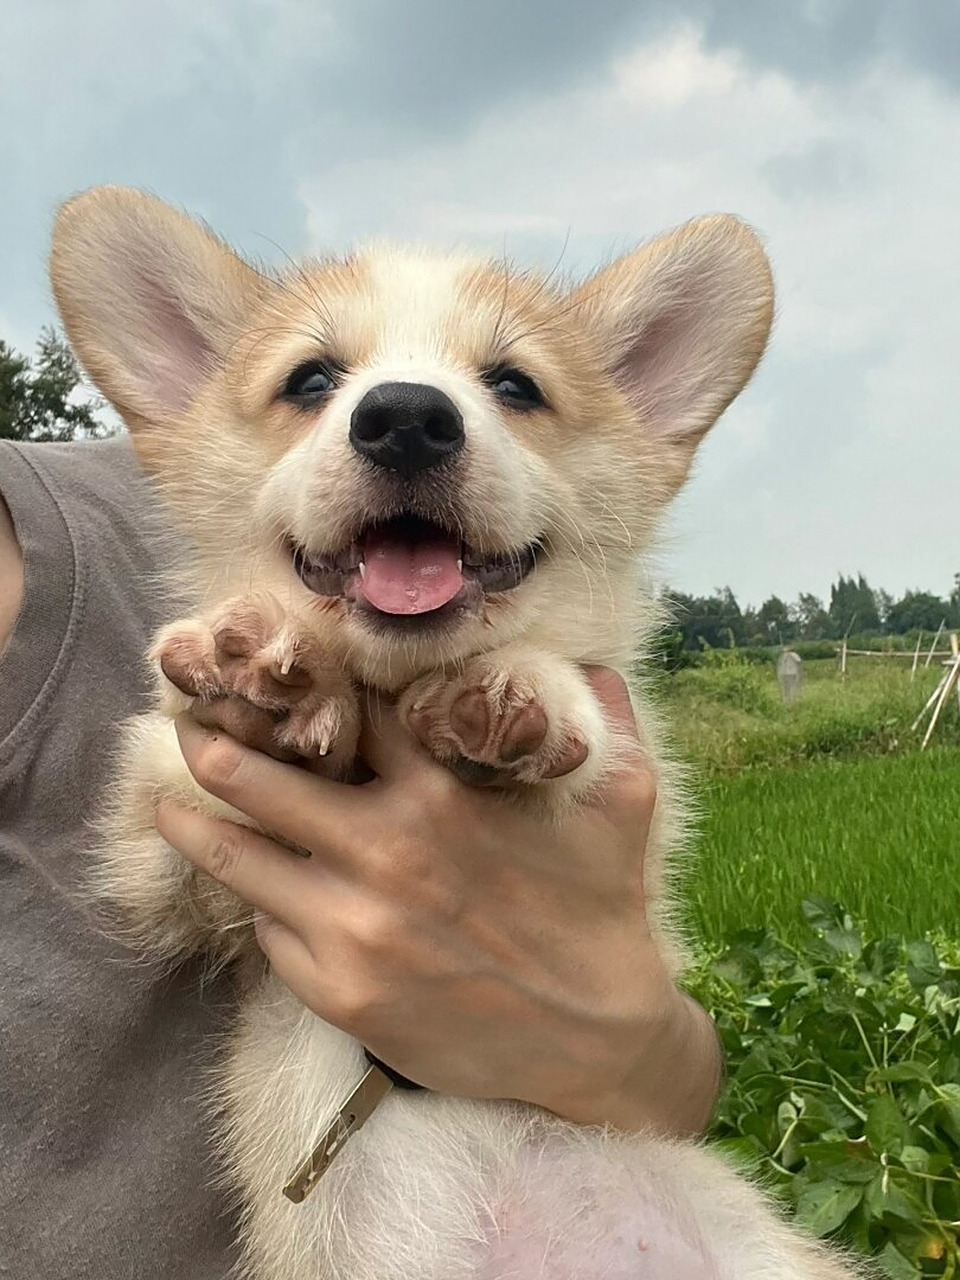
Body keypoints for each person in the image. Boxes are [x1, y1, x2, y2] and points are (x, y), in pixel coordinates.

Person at [0, 434, 722, 1279]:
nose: (402, 411)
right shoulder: (219, 519)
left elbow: (661, 1065)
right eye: (313, 379)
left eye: (514, 387)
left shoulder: (176, 493)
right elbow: (167, 875)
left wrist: (643, 1047)